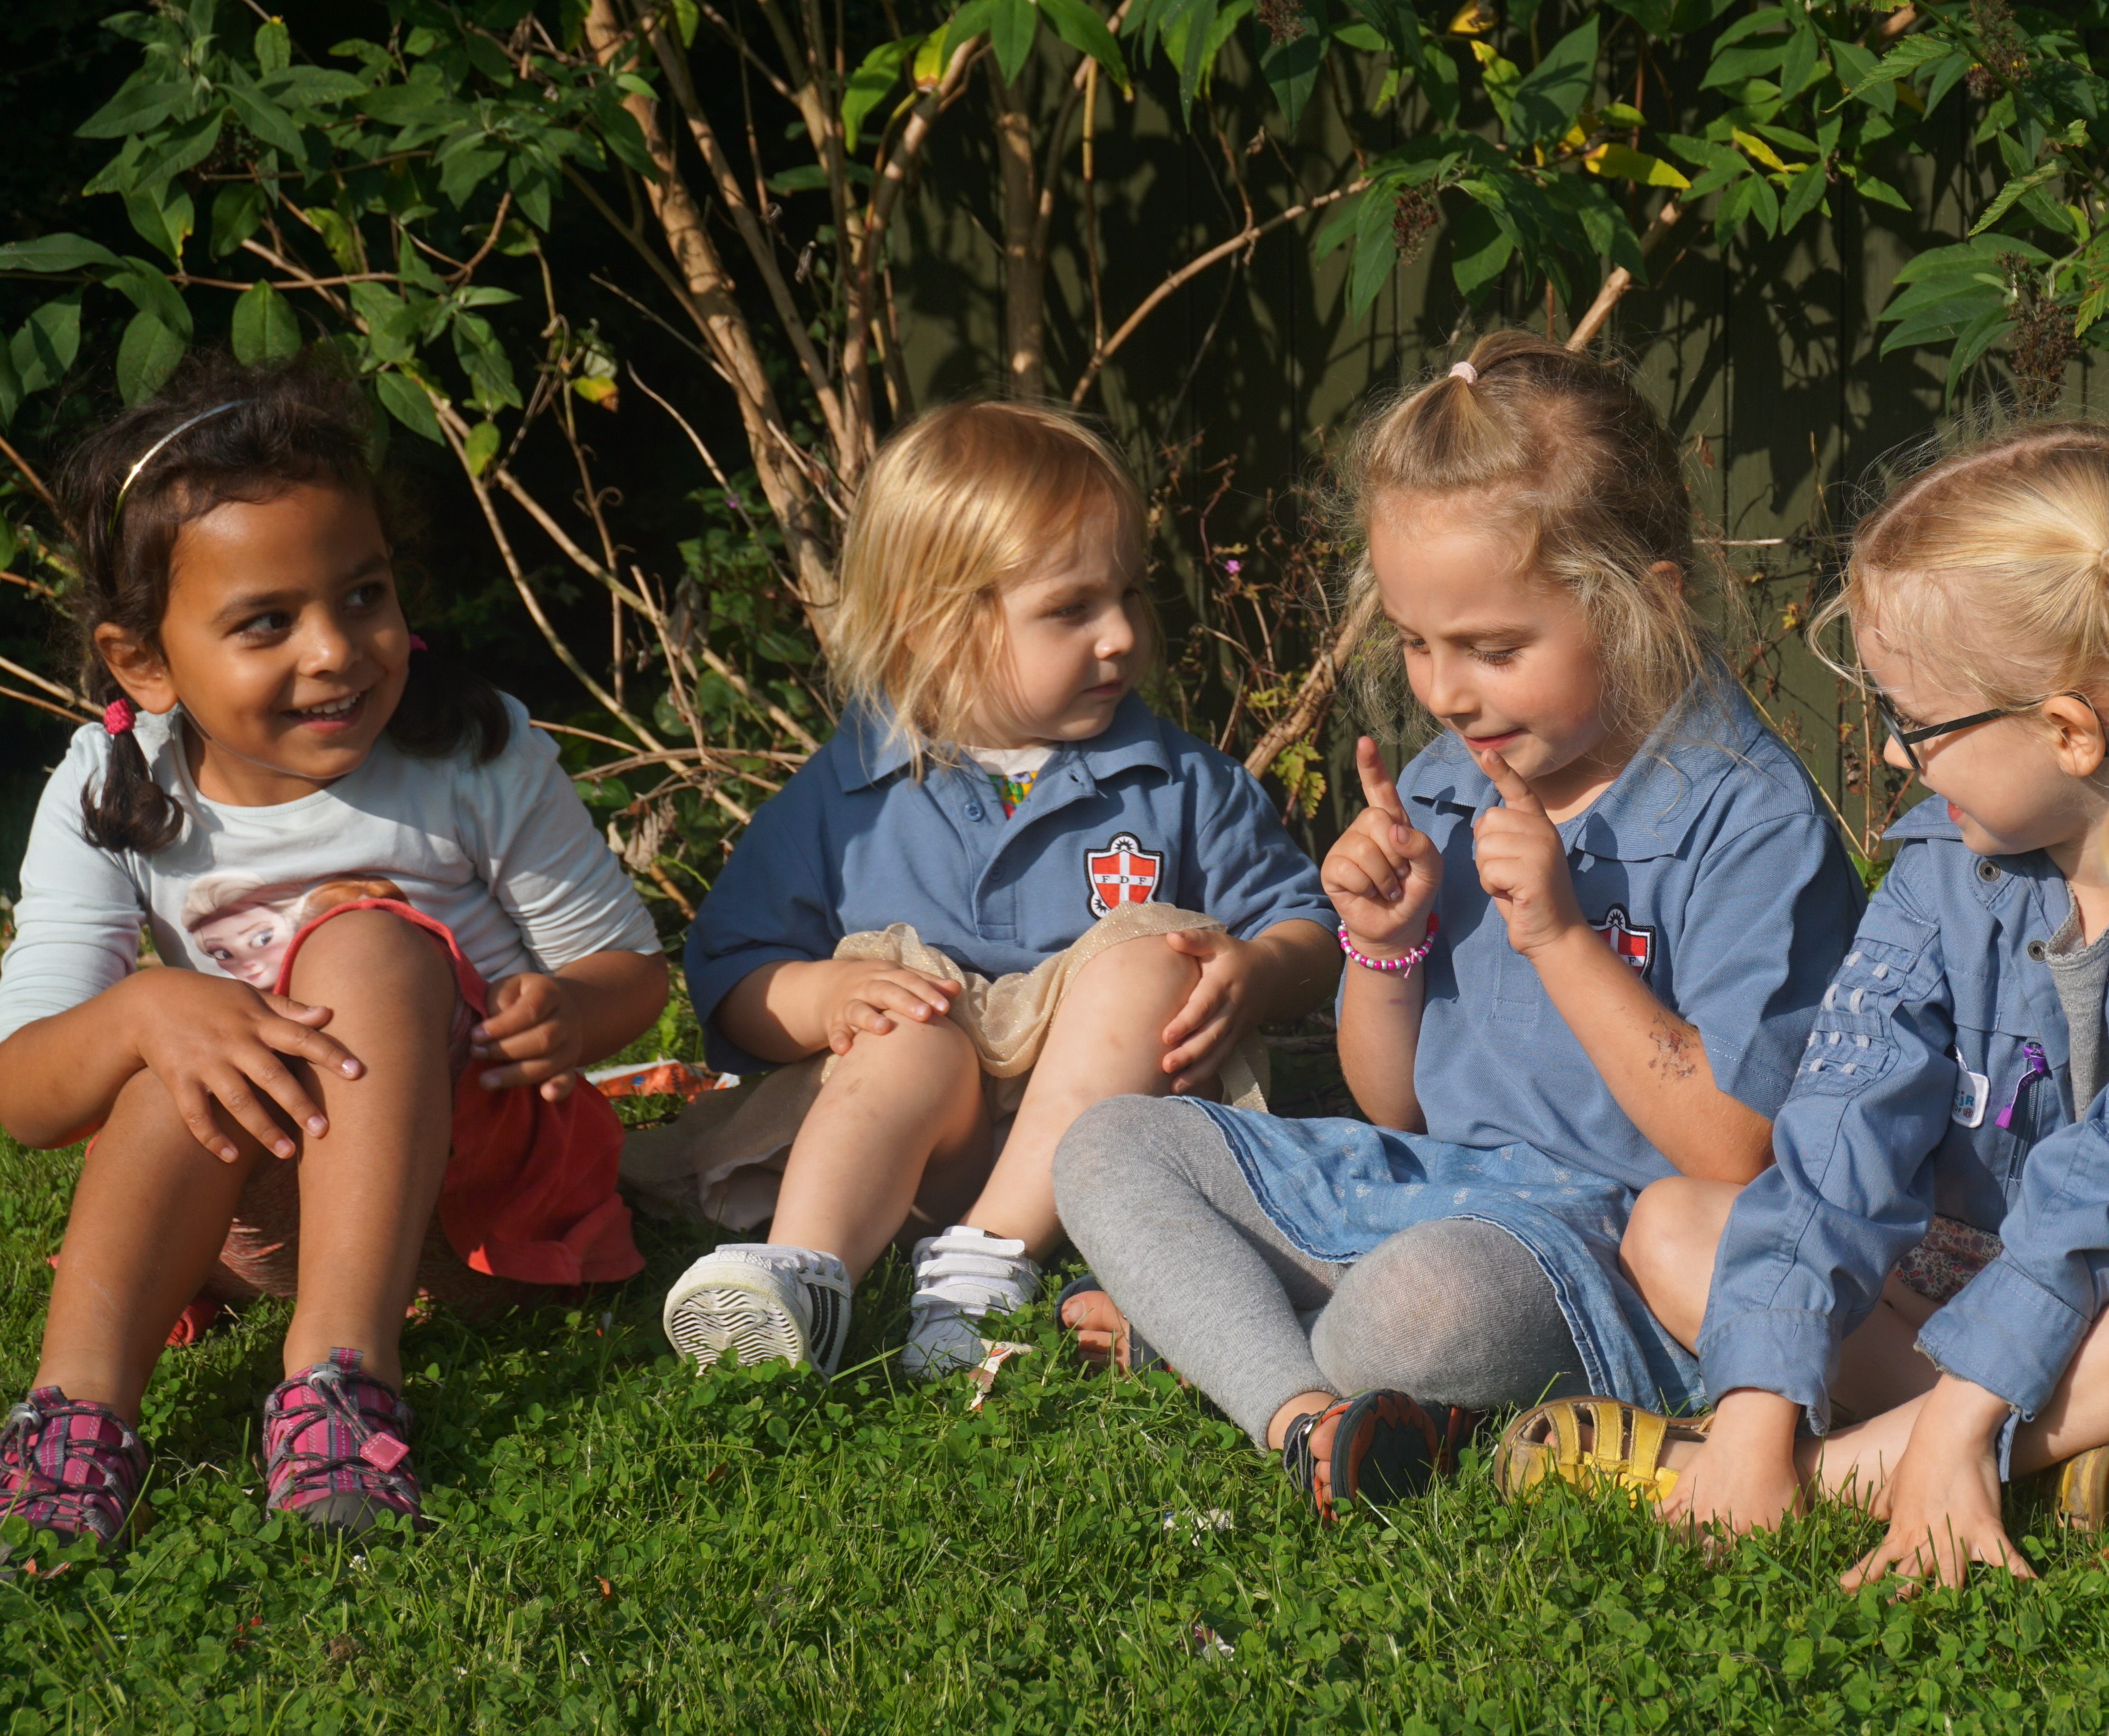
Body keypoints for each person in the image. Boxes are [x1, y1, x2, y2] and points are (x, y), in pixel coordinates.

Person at [1497, 422, 2109, 1588]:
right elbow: (1838, 1129)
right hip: (1999, 1278)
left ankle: (1880, 1460)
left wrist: (1943, 1411)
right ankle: (2063, 1446)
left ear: (2069, 729)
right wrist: (1756, 1397)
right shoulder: (1950, 856)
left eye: (1916, 723)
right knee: (1677, 1223)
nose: (1887, 749)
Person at [1048, 332, 1865, 1517]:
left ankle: (1220, 1332)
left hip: (1605, 1241)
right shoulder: (1452, 777)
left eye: (1493, 648)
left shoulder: (1745, 818)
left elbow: (1734, 1150)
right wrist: (1383, 943)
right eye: (1417, 642)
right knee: (1111, 1145)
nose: (1445, 691)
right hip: (1433, 1182)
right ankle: (1297, 1404)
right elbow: (1398, 1109)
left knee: (1426, 1307)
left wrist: (1561, 937)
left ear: (1646, 604)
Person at [0, 354, 669, 1557]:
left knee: (365, 944)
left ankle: (340, 1378)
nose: (337, 650)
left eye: (363, 595)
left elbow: (628, 972)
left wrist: (569, 1009)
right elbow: (28, 1092)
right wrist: (151, 1006)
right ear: (143, 661)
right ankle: (76, 1416)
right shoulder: (108, 787)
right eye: (267, 621)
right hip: (257, 1202)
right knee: (168, 1051)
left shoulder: (470, 750)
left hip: (479, 1189)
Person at [666, 400, 1337, 1381]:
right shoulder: (846, 801)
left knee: (1151, 952)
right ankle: (804, 1272)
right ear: (929, 630)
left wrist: (1259, 970)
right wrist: (822, 999)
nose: (1118, 637)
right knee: (904, 1019)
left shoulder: (1178, 783)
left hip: (1111, 1152)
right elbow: (728, 974)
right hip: (916, 1152)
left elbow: (1306, 926)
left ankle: (992, 1258)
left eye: (1130, 597)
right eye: (1072, 610)